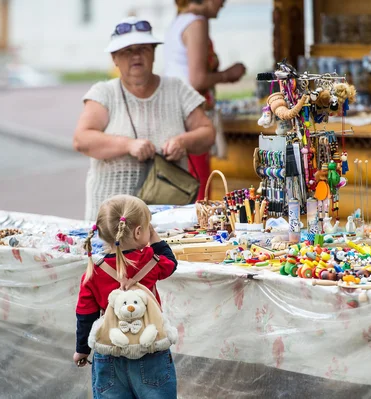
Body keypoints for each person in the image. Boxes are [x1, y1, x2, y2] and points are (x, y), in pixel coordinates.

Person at [73, 17, 215, 220]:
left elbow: (208, 133)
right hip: (112, 218)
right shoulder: (104, 93)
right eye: (127, 51)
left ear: (154, 53)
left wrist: (182, 141)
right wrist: (128, 145)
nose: (136, 56)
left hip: (167, 218)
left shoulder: (177, 89)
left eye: (143, 49)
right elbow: (81, 140)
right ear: (114, 58)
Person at [73, 194, 178, 398]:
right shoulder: (151, 260)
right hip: (150, 349)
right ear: (139, 232)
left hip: (110, 351)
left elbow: (85, 316)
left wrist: (82, 350)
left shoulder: (93, 272)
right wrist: (154, 236)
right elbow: (171, 263)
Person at [164, 0, 246, 200]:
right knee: (199, 187)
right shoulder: (196, 24)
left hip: (178, 110)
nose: (223, 4)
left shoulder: (181, 19)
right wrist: (228, 74)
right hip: (190, 114)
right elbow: (197, 79)